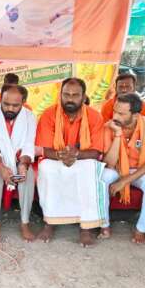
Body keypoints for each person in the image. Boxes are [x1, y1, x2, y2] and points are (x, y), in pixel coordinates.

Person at [35, 77, 106, 247]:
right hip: (56, 157)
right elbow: (45, 149)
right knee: (45, 168)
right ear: (60, 94)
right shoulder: (49, 114)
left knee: (90, 168)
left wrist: (76, 155)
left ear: (83, 96)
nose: (70, 99)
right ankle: (50, 222)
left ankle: (86, 227)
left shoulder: (95, 116)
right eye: (66, 94)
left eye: (75, 95)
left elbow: (96, 151)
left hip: (83, 158)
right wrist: (62, 156)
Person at [101, 93, 145, 244]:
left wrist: (124, 181)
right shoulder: (109, 126)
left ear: (135, 115)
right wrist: (117, 135)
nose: (115, 116)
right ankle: (104, 224)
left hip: (141, 169)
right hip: (116, 168)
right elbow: (109, 163)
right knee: (102, 178)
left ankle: (141, 228)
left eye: (121, 114)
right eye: (115, 111)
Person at [0, 84, 37, 242]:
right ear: (0, 99)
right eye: (6, 104)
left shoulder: (30, 117)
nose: (10, 108)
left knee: (28, 175)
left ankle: (25, 222)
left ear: (23, 103)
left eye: (15, 105)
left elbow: (29, 145)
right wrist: (1, 168)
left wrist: (23, 165)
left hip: (19, 160)